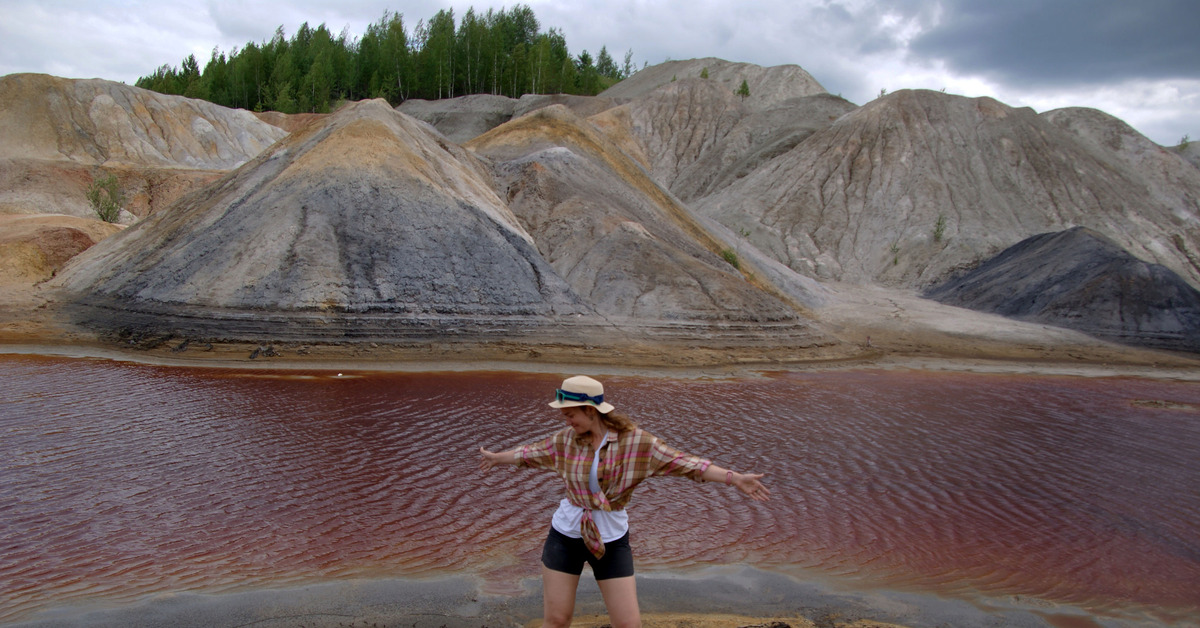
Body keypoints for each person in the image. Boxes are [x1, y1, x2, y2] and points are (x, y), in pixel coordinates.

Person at [479, 375, 770, 628]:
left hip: (612, 539)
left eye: (570, 414)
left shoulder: (638, 443)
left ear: (590, 410)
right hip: (565, 536)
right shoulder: (566, 440)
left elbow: (687, 464)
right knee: (556, 622)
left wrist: (734, 478)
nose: (565, 421)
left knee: (628, 624)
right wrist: (496, 459)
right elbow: (530, 454)